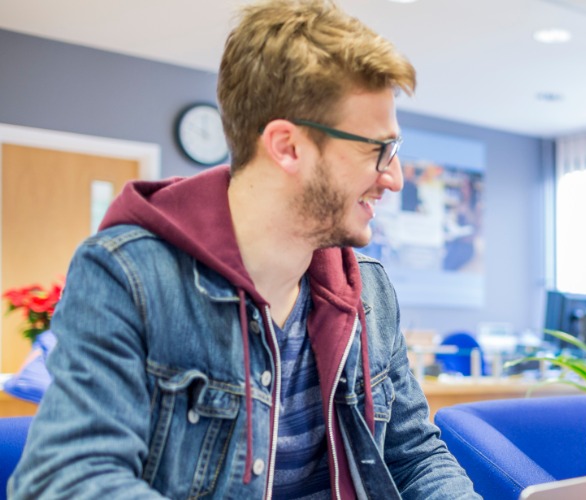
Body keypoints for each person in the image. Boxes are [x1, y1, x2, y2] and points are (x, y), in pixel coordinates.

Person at [9, 1, 479, 498]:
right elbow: (70, 478)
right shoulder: (128, 277)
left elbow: (415, 458)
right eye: (376, 149)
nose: (395, 179)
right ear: (287, 147)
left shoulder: (368, 289)